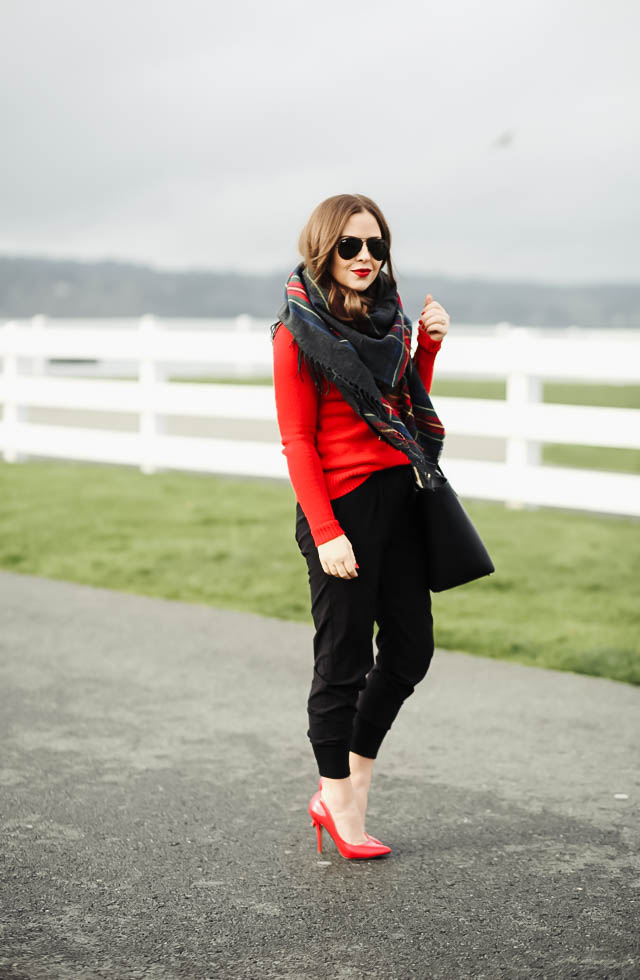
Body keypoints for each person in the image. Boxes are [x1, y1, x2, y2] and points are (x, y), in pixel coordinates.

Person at [271, 193, 450, 859]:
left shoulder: (391, 322)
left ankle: (355, 776)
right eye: (351, 246)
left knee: (410, 652)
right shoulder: (296, 330)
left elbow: (404, 408)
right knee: (343, 662)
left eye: (376, 245)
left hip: (398, 502)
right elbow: (297, 440)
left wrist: (426, 346)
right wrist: (325, 531)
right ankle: (338, 800)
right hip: (340, 510)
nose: (366, 257)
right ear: (325, 249)